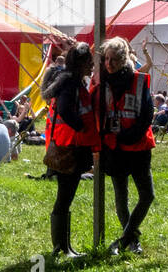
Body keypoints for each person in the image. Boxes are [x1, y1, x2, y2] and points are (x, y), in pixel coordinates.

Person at [96, 37, 156, 255]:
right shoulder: (102, 83)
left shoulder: (139, 80)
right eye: (106, 59)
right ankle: (131, 239)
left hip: (138, 145)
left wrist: (131, 135)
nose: (109, 64)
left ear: (123, 60)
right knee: (121, 197)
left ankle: (125, 238)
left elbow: (148, 113)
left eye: (113, 59)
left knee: (147, 195)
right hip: (115, 148)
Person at [41, 42, 98, 257]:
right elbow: (65, 109)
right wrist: (81, 125)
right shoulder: (71, 84)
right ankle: (61, 247)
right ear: (81, 63)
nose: (92, 64)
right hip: (69, 148)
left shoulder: (73, 81)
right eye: (89, 61)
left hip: (72, 146)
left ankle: (64, 246)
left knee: (65, 198)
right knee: (64, 198)